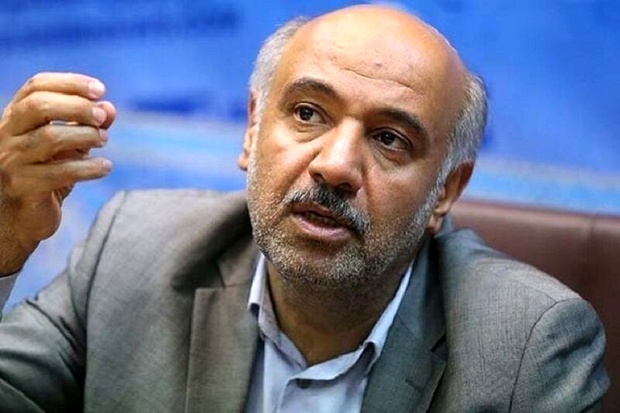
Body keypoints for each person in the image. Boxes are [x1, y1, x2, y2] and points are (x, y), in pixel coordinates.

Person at [0, 5, 609, 412]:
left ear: (445, 191)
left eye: (389, 138)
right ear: (252, 130)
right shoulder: (132, 250)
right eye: (308, 113)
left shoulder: (528, 350)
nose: (335, 166)